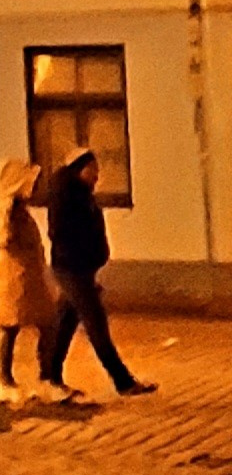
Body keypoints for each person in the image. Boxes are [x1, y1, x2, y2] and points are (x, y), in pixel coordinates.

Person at [38, 146, 155, 398]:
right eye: (93, 169)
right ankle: (123, 382)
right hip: (71, 268)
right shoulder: (65, 196)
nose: (97, 175)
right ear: (79, 169)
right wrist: (84, 255)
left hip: (81, 268)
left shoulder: (80, 194)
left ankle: (50, 376)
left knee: (65, 322)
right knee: (95, 323)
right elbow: (61, 232)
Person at [0, 158, 51, 403]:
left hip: (26, 275)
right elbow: (3, 239)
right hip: (12, 277)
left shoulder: (18, 207)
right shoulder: (4, 207)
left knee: (45, 323)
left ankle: (45, 377)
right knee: (9, 327)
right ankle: (6, 381)